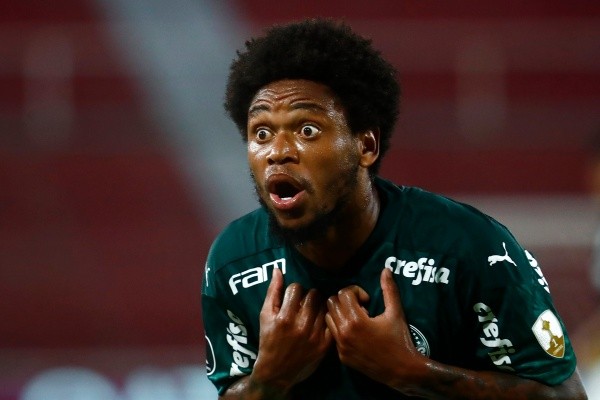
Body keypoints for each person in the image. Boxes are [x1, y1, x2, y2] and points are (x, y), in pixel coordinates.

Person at [201, 18, 588, 399]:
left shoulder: (469, 248)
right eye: (262, 133)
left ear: (366, 146)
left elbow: (566, 395)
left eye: (307, 130)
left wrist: (413, 373)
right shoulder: (233, 263)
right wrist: (268, 380)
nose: (278, 152)